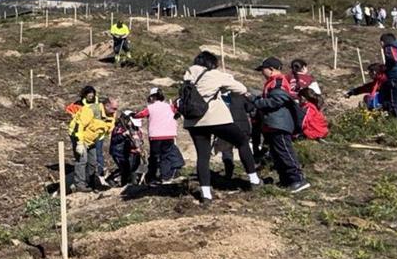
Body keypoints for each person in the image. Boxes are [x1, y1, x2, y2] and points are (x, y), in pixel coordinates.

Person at [181, 51, 261, 205]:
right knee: (242, 142)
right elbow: (240, 88)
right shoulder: (214, 74)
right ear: (211, 63)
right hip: (216, 118)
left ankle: (206, 195)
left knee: (203, 156)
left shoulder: (188, 76)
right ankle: (254, 180)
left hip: (194, 122)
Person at [253, 57, 310, 193]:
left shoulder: (277, 81)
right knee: (277, 153)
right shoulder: (272, 82)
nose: (262, 72)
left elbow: (277, 100)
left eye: (263, 69)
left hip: (279, 123)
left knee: (284, 152)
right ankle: (285, 179)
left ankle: (297, 179)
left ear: (271, 69)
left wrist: (257, 102)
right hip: (273, 124)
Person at [132, 88, 181, 184]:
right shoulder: (169, 106)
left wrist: (133, 114)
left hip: (155, 136)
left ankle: (152, 177)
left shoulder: (150, 108)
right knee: (166, 156)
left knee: (154, 157)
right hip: (169, 135)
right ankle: (166, 177)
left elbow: (140, 115)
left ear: (152, 97)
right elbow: (177, 112)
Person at [69, 92, 114, 191]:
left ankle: (90, 183)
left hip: (92, 138)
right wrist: (80, 143)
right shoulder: (91, 110)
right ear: (106, 106)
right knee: (82, 160)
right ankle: (80, 185)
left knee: (93, 161)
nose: (115, 111)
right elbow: (79, 126)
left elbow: (108, 128)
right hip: (78, 135)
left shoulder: (111, 113)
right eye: (113, 108)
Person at [108, 109, 144, 186]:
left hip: (133, 152)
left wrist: (139, 144)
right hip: (119, 152)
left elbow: (139, 140)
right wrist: (123, 135)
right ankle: (114, 180)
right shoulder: (119, 128)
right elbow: (115, 140)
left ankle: (132, 183)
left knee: (134, 167)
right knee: (125, 169)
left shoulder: (136, 128)